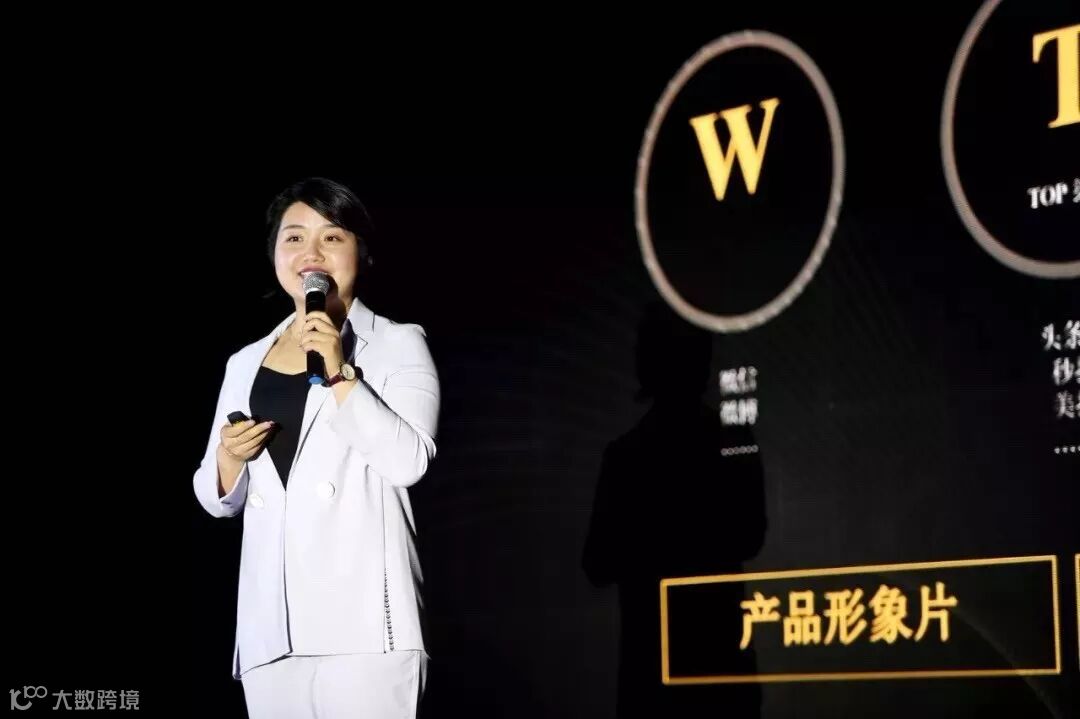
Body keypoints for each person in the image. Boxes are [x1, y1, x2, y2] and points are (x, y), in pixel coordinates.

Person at [192, 177, 440, 718]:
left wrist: (339, 372)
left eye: (332, 237)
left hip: (366, 626)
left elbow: (408, 461)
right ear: (274, 254)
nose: (311, 253)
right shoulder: (244, 362)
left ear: (361, 251)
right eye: (294, 238)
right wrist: (229, 459)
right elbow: (215, 498)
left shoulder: (397, 342)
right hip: (271, 629)